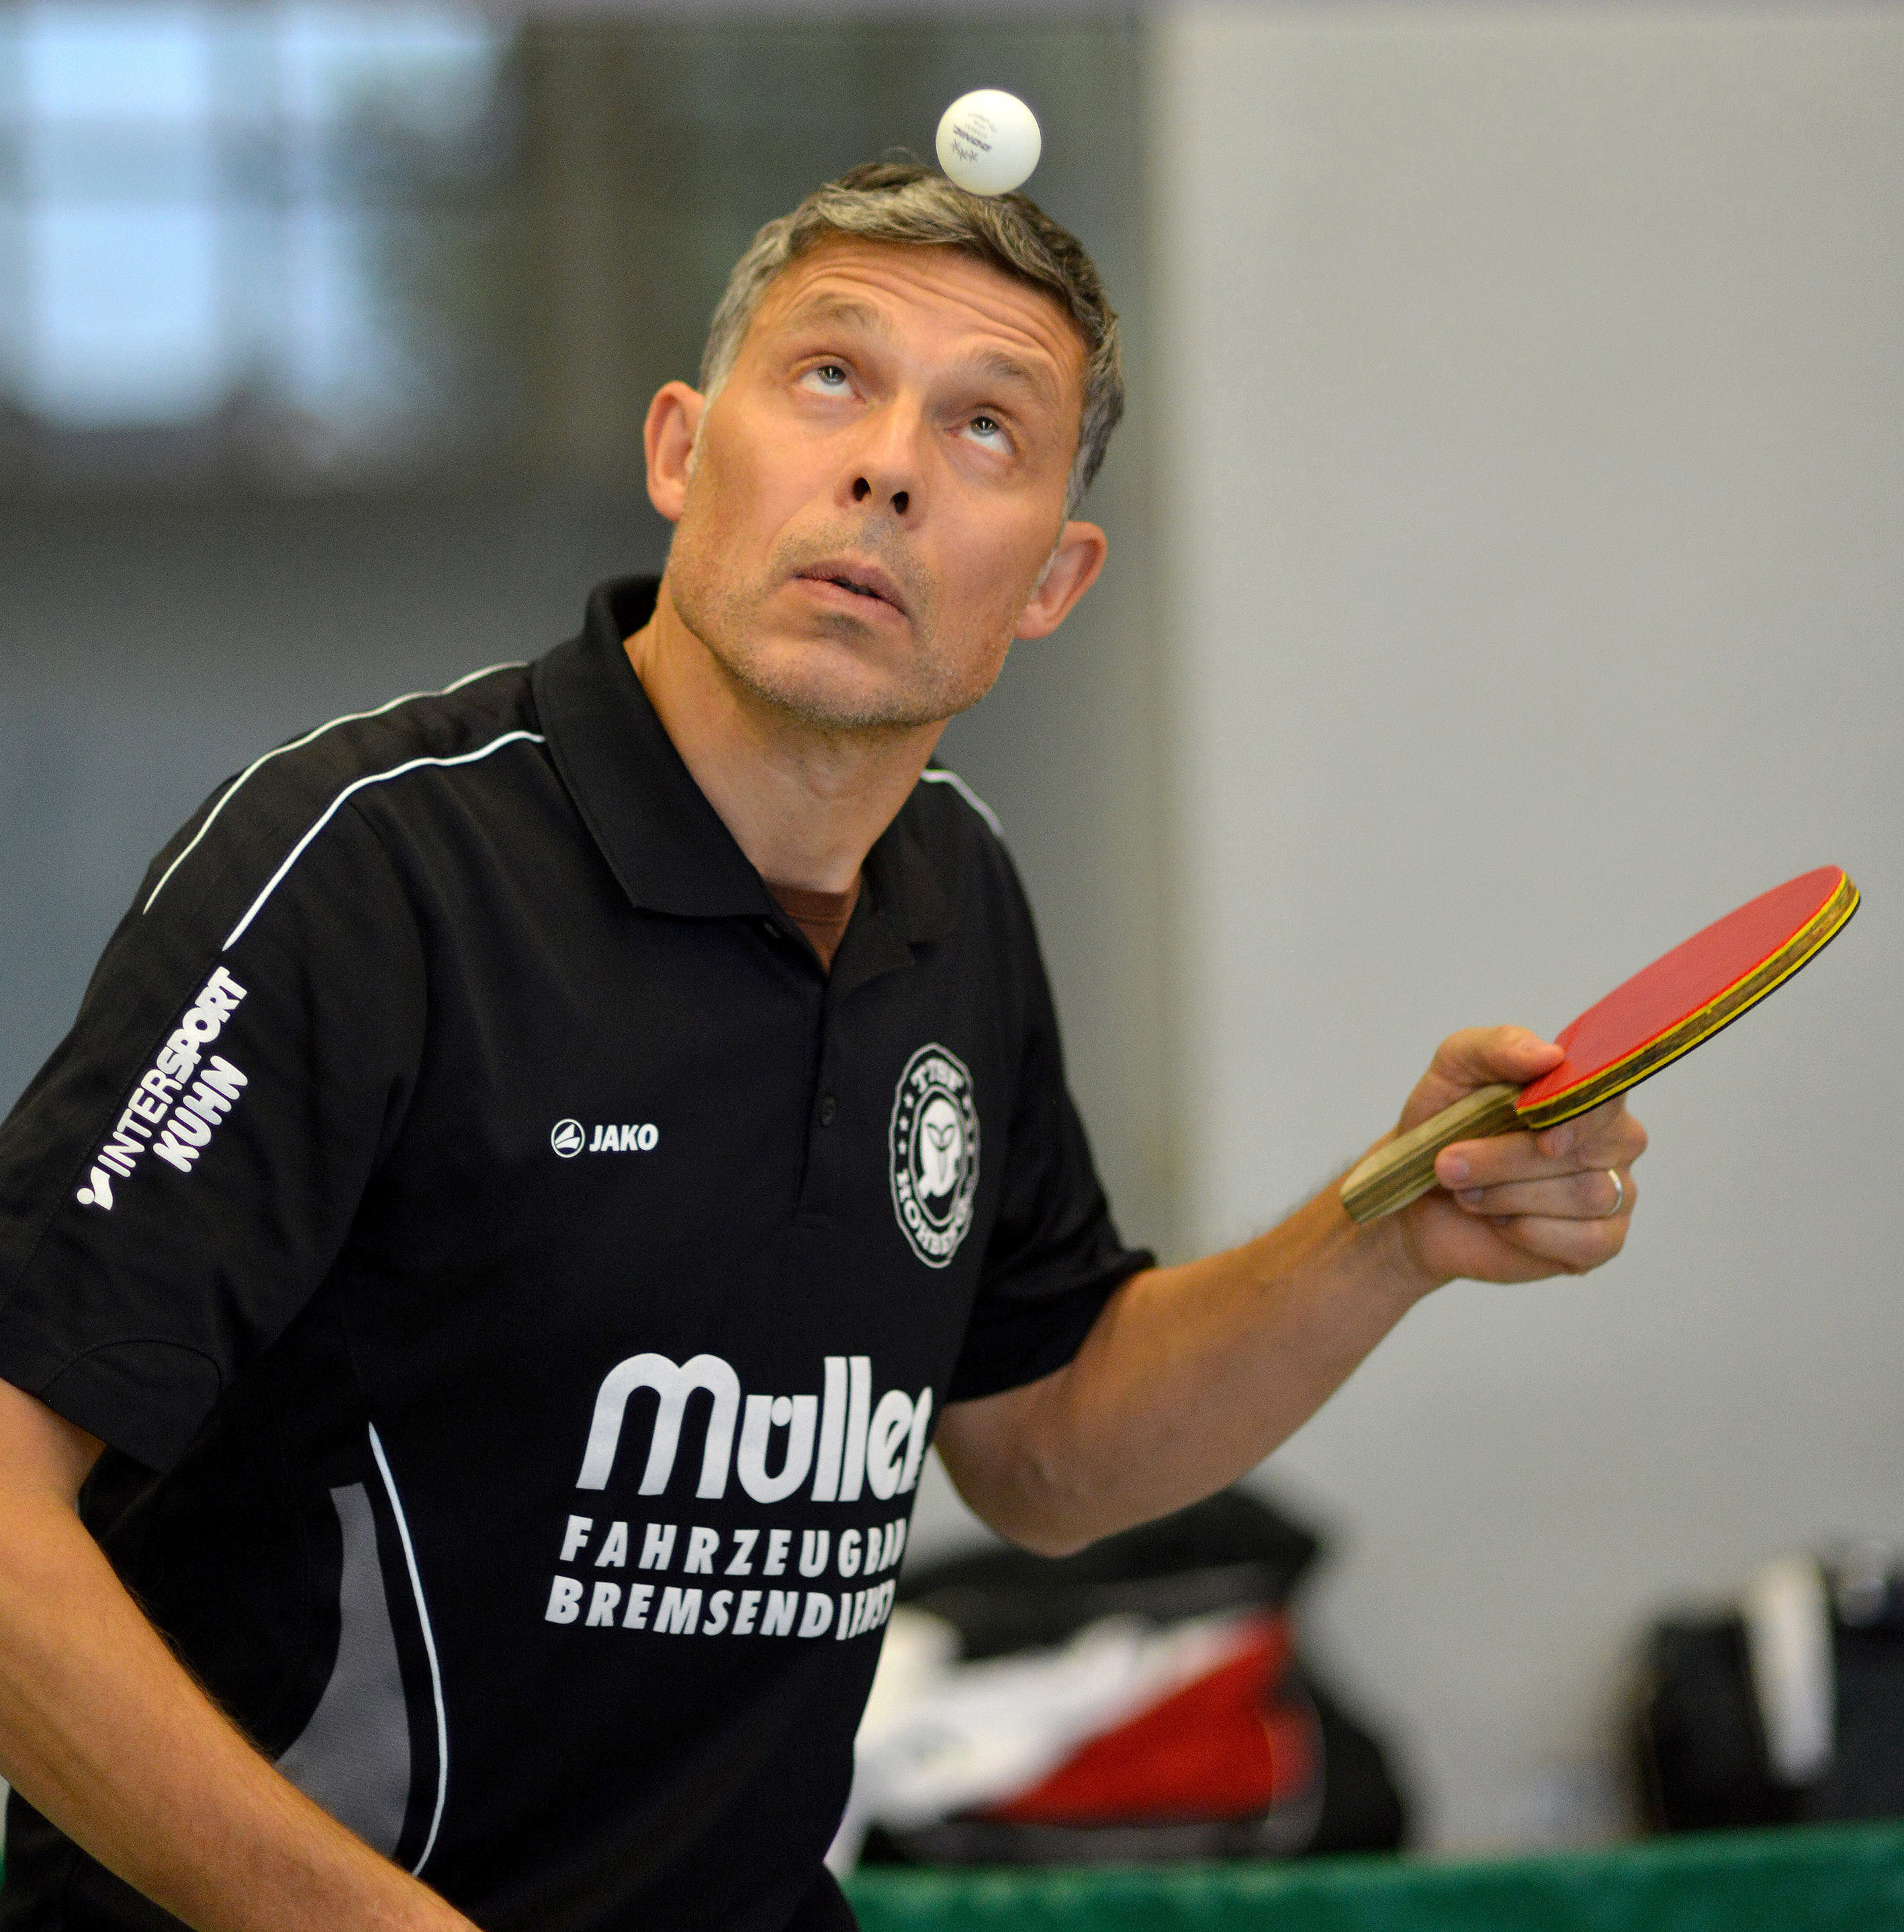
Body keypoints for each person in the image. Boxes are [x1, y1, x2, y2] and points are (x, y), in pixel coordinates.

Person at [0, 162, 1644, 1932]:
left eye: (986, 426)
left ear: (1053, 580)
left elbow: (1046, 1443)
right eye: (832, 377)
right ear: (679, 451)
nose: (888, 467)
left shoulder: (960, 893)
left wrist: (1391, 1225)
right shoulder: (367, 872)